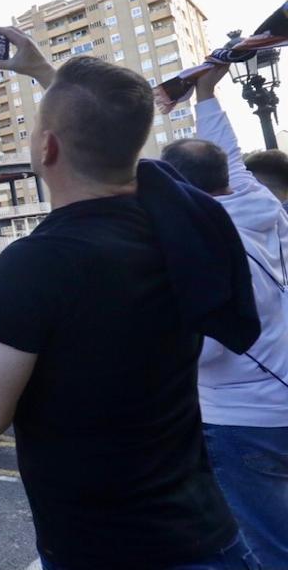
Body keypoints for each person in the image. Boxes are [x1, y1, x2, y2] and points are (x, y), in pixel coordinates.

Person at [0, 30, 261, 570]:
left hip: (105, 547)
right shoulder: (177, 224)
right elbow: (114, 142)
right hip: (206, 533)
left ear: (46, 148)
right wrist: (46, 74)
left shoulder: (32, 265)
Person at [160, 65, 288, 567]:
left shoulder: (197, 247)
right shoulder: (260, 203)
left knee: (265, 546)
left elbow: (208, 348)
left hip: (242, 421)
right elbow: (228, 157)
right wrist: (207, 93)